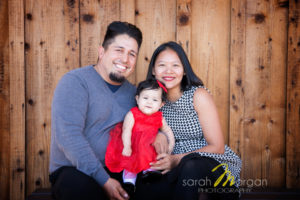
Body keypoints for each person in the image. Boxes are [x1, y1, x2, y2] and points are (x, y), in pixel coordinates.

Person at [49, 21, 166, 200]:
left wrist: (160, 135)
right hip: (75, 171)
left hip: (119, 169)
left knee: (161, 187)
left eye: (132, 54)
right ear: (101, 52)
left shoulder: (135, 94)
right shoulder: (75, 82)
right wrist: (104, 180)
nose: (125, 59)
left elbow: (145, 123)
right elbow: (69, 137)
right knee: (79, 189)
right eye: (119, 50)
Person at [134, 41, 242, 200]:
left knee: (191, 166)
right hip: (177, 172)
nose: (168, 71)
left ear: (184, 70)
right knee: (146, 186)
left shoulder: (197, 95)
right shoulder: (151, 100)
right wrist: (158, 134)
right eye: (162, 65)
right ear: (153, 71)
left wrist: (176, 160)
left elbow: (217, 147)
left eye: (175, 65)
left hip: (211, 165)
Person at [105, 79, 175, 189]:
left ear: (161, 104)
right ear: (137, 99)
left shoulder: (159, 117)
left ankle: (149, 174)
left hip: (149, 149)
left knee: (152, 163)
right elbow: (126, 130)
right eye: (145, 98)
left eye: (155, 100)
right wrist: (127, 146)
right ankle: (129, 183)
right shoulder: (133, 114)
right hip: (133, 148)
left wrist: (170, 147)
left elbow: (168, 131)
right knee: (130, 166)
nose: (149, 102)